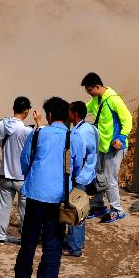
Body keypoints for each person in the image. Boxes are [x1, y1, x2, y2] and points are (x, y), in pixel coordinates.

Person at [13, 97, 88, 278]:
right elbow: (77, 166)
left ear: (49, 115)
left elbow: (25, 161)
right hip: (59, 196)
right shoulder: (73, 137)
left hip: (35, 193)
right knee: (53, 243)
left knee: (29, 239)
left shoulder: (38, 133)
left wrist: (33, 176)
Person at [83, 73, 133, 224]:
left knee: (110, 179)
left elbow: (127, 119)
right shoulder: (97, 99)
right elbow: (84, 108)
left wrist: (121, 138)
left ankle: (117, 210)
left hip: (115, 147)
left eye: (89, 90)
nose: (88, 93)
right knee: (98, 176)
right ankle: (98, 205)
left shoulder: (113, 99)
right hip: (102, 145)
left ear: (97, 86)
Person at [0, 96, 37, 245]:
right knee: (25, 208)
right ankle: (26, 236)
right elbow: (34, 149)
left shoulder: (1, 124)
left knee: (2, 205)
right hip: (22, 176)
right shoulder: (27, 131)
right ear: (26, 111)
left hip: (5, 173)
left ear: (13, 108)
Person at [63, 101, 99, 258]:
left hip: (79, 177)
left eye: (69, 111)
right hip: (87, 174)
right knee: (81, 210)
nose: (67, 114)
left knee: (74, 211)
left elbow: (79, 156)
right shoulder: (90, 128)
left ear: (75, 113)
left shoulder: (80, 133)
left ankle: (75, 247)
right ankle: (78, 242)